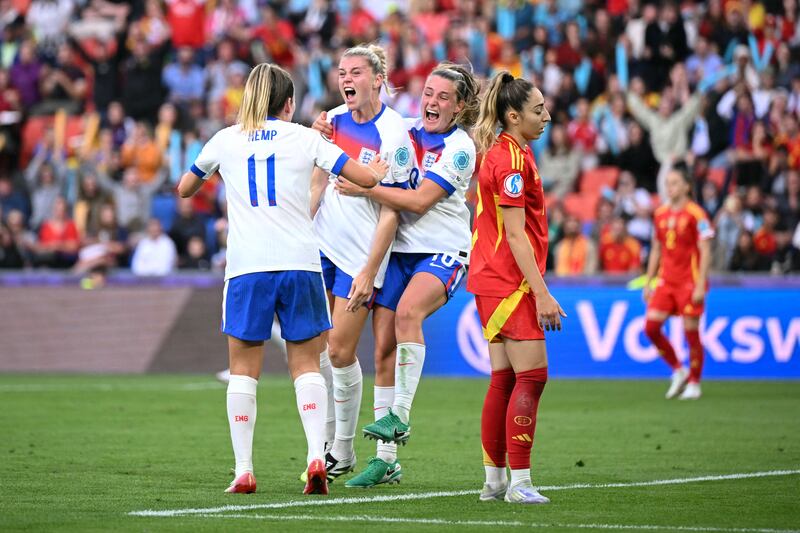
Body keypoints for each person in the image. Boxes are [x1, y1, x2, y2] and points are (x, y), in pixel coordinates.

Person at [176, 63, 388, 496]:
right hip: (300, 264)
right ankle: (315, 455)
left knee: (242, 371)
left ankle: (244, 470)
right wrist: (379, 170)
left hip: (248, 267)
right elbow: (364, 178)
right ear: (289, 103)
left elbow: (184, 188)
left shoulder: (225, 138)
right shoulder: (307, 138)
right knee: (307, 365)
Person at [333, 62, 480, 487]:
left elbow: (417, 202)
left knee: (408, 314)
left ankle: (401, 414)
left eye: (442, 97)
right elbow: (362, 125)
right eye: (428, 93)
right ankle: (386, 461)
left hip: (442, 251)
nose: (431, 102)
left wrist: (364, 188)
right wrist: (326, 124)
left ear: (460, 106)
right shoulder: (405, 130)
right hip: (397, 253)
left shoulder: (460, 147)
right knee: (382, 351)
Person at [305, 44, 414, 484]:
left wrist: (371, 268)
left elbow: (394, 209)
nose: (345, 79)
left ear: (377, 79)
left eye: (355, 72)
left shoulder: (394, 134)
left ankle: (344, 450)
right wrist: (301, 231)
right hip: (321, 247)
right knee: (323, 352)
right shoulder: (331, 121)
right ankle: (337, 449)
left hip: (360, 256)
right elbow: (317, 181)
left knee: (339, 350)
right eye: (341, 72)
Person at [468, 72, 564, 505]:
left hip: (492, 278)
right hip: (510, 281)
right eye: (538, 109)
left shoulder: (509, 150)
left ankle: (494, 481)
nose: (546, 116)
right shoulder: (511, 160)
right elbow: (515, 233)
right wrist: (541, 291)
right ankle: (520, 483)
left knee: (503, 379)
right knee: (532, 376)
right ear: (513, 115)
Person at [643, 164, 714, 401]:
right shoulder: (660, 213)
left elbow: (705, 249)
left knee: (690, 332)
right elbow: (656, 248)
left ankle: (695, 381)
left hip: (689, 282)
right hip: (666, 281)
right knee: (651, 328)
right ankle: (678, 369)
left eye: (674, 183)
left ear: (687, 186)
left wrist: (701, 283)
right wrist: (649, 281)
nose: (669, 187)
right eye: (667, 183)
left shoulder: (697, 214)